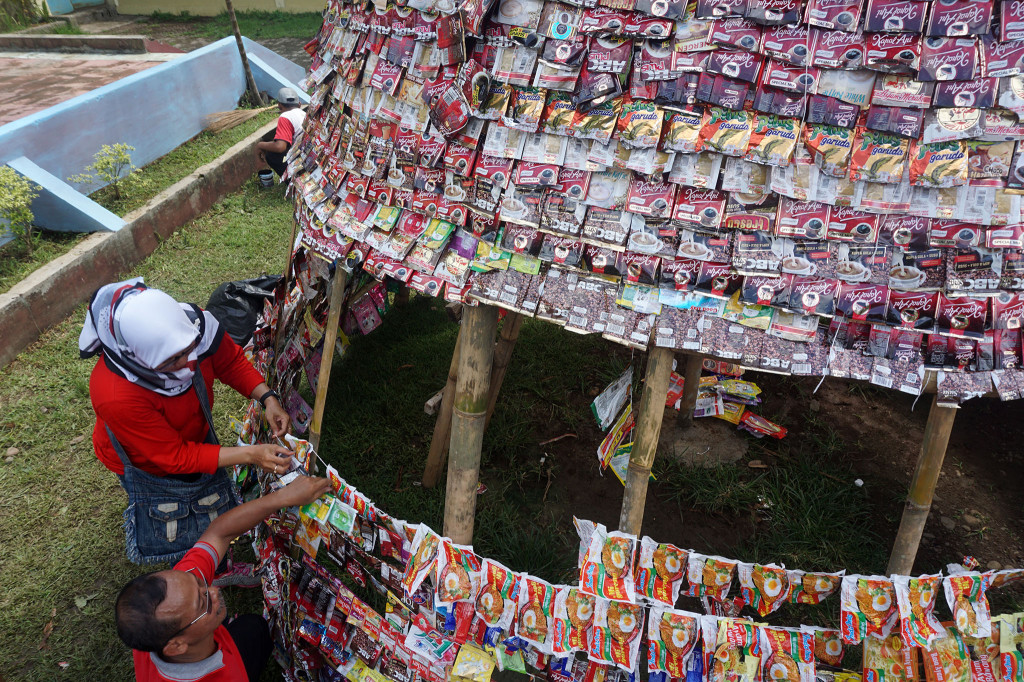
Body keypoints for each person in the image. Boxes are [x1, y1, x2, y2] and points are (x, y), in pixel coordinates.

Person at [80, 278, 295, 564]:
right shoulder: (116, 394)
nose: (189, 363)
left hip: (192, 432)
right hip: (148, 461)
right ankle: (192, 568)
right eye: (171, 361)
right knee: (174, 517)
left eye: (190, 349)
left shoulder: (195, 326)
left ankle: (216, 551)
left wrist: (267, 398)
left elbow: (229, 362)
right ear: (137, 359)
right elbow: (174, 457)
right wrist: (251, 454)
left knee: (205, 497)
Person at [115, 475, 332, 682]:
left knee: (256, 628)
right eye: (203, 602)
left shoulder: (163, 614)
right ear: (176, 646)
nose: (213, 590)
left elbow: (219, 533)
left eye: (200, 582)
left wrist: (284, 497)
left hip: (216, 646)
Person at [256, 87, 306, 178]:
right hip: (309, 156)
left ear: (279, 105)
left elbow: (280, 147)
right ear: (299, 104)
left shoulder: (285, 116)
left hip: (302, 158)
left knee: (271, 155)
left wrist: (260, 145)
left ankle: (291, 180)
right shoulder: (303, 114)